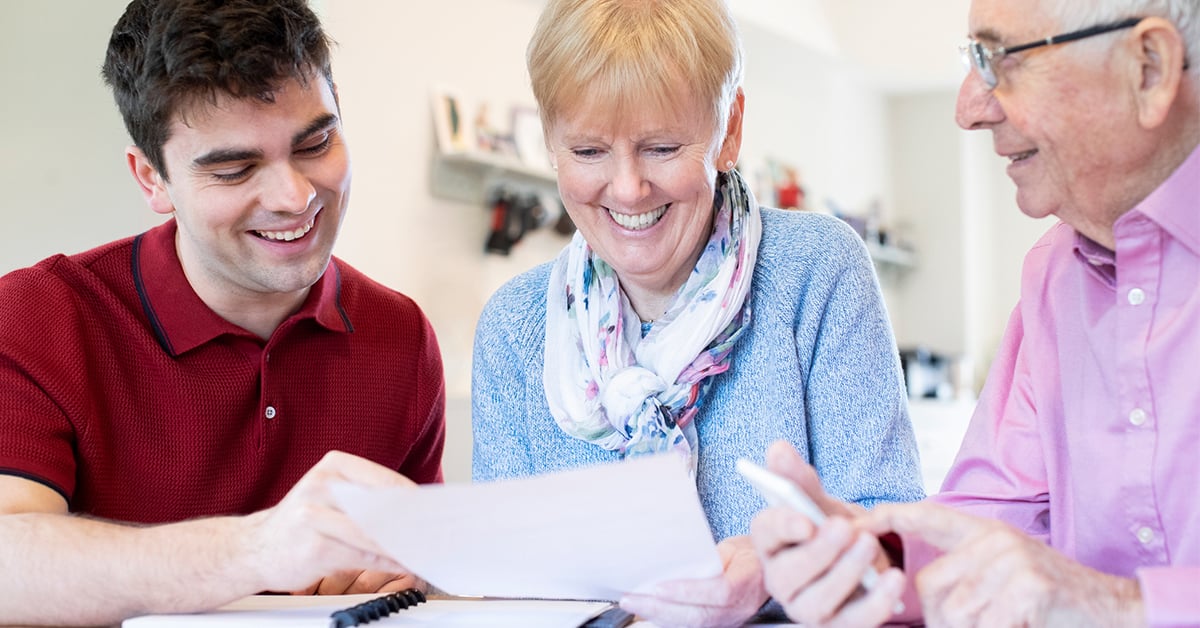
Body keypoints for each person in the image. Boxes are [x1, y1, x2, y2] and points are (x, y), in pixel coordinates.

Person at [470, 0, 924, 625]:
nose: (628, 189)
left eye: (661, 147)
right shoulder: (512, 326)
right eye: (588, 151)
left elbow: (890, 536)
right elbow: (507, 581)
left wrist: (773, 572)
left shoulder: (817, 271)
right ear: (550, 141)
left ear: (729, 128)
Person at [749, 0, 1200, 625]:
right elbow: (987, 531)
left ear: (1148, 68)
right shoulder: (1054, 279)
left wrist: (1121, 608)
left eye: (1000, 59)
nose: (967, 109)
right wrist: (871, 559)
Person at [0, 0, 446, 625]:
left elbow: (421, 565)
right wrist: (259, 551)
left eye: (316, 142)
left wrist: (418, 570)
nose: (295, 198)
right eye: (235, 169)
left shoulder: (400, 334)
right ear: (151, 179)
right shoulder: (37, 314)